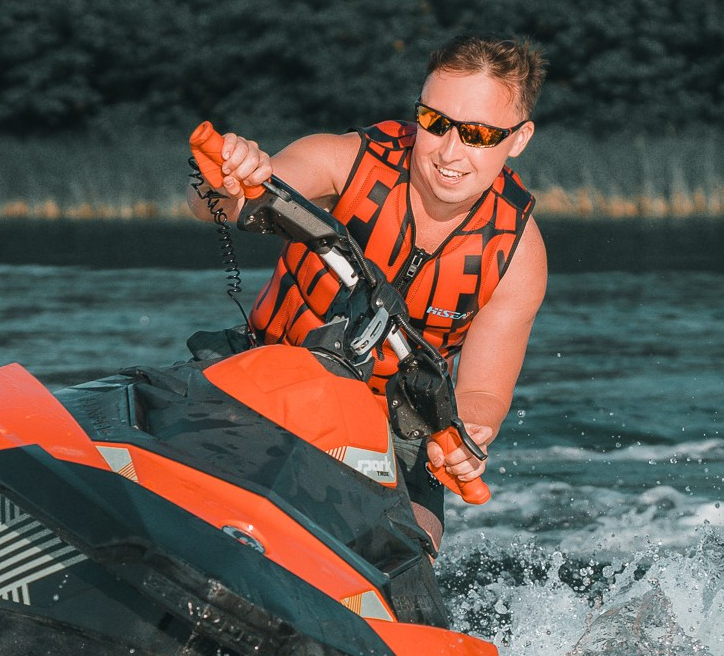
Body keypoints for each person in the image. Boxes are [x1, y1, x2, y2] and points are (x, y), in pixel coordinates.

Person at [188, 36, 550, 550]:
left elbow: (482, 394)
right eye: (435, 122)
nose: (449, 152)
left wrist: (470, 437)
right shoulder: (345, 161)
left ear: (518, 139)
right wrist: (227, 176)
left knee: (416, 542)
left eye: (477, 134)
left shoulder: (517, 254)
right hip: (263, 377)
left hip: (394, 430)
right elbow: (212, 205)